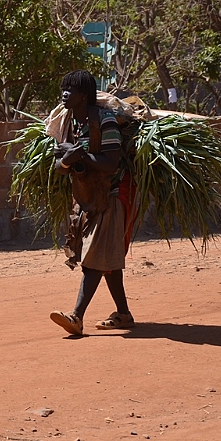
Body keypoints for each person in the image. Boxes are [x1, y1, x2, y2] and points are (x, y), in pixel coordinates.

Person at [49, 70, 136, 336]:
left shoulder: (105, 122)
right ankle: (123, 313)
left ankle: (76, 316)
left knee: (93, 257)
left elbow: (111, 163)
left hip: (111, 195)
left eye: (70, 90)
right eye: (63, 89)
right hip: (87, 198)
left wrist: (81, 156)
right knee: (105, 257)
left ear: (84, 96)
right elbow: (59, 166)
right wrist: (69, 159)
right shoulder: (67, 124)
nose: (65, 94)